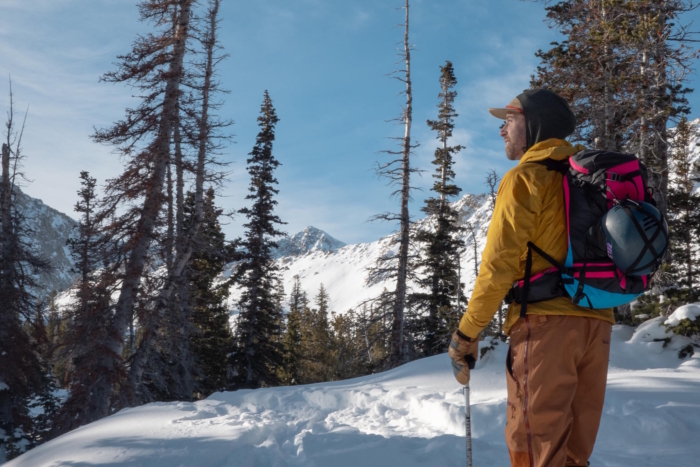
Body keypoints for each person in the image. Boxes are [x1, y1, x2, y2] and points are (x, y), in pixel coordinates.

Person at [448, 89, 614, 467]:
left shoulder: (526, 178)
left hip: (544, 328)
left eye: (509, 121)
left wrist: (466, 333)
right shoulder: (586, 180)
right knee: (573, 456)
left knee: (535, 454)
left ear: (534, 125)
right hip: (597, 325)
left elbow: (498, 266)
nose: (502, 130)